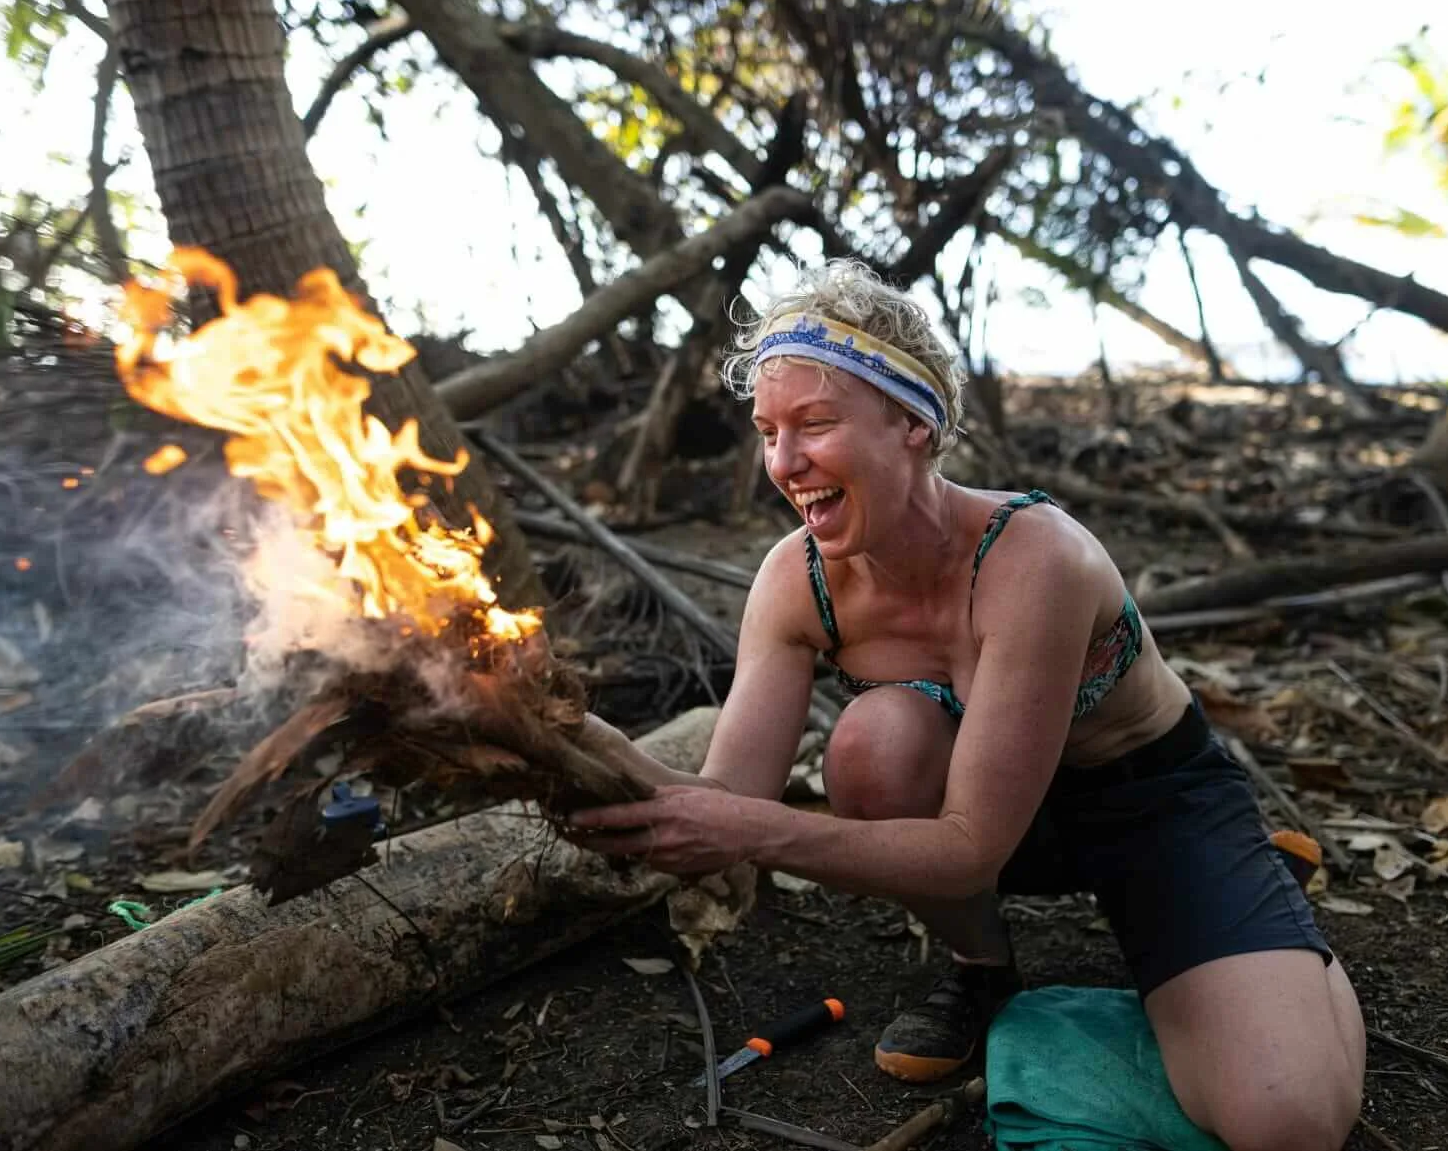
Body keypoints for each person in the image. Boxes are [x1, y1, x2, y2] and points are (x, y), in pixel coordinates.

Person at [565, 262, 1366, 1151]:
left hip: (1150, 804)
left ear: (915, 423)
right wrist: (560, 730)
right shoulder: (797, 579)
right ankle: (982, 971)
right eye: (767, 432)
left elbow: (955, 844)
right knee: (874, 744)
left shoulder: (1034, 557)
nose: (786, 463)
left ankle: (1249, 902)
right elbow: (723, 796)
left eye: (816, 424)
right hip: (991, 822)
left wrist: (750, 833)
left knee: (1288, 1124)